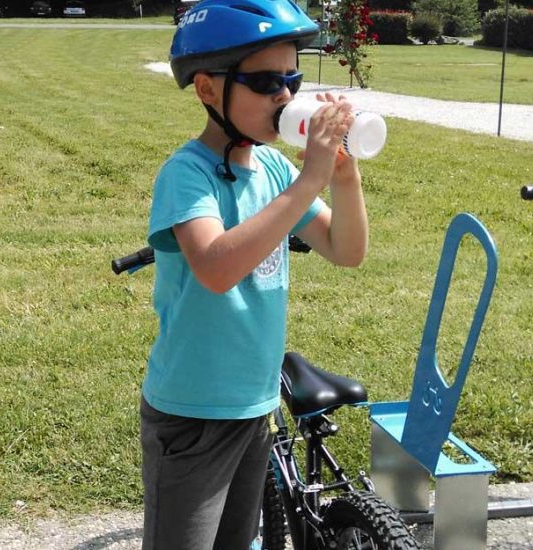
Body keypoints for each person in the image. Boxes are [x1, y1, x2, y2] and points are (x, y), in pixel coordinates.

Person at [140, 0, 369, 547]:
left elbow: (346, 249)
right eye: (266, 81)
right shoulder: (188, 174)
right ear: (207, 89)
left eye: (292, 78)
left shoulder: (272, 168)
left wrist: (342, 173)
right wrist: (307, 183)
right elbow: (216, 268)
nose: (285, 97)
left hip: (255, 405)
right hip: (192, 415)